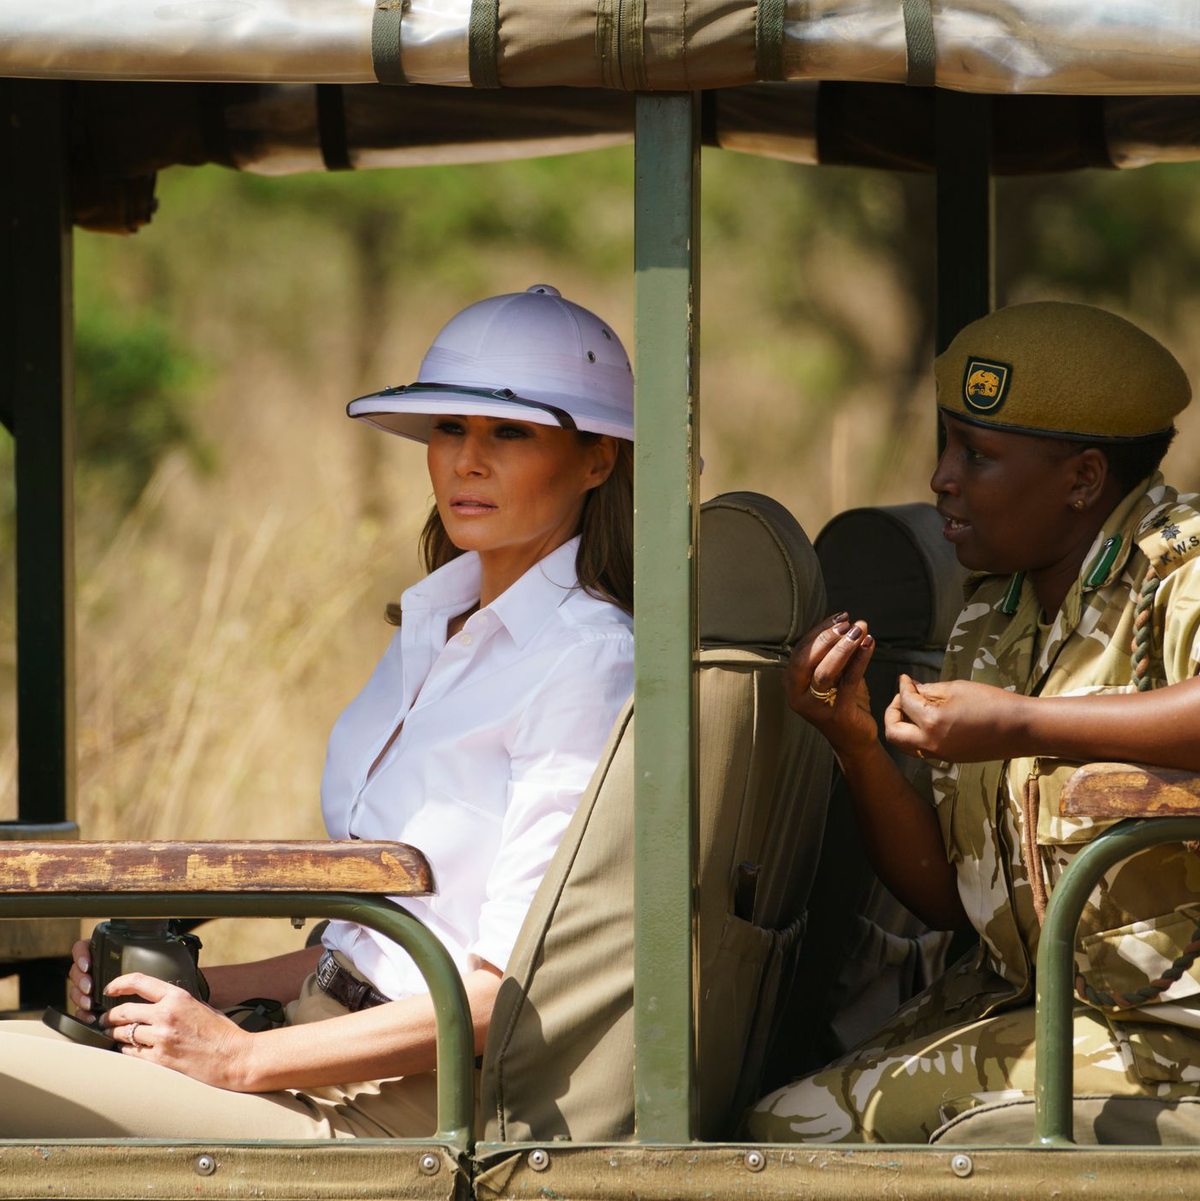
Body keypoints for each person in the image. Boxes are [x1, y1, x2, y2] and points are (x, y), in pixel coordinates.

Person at [0, 285, 635, 1140]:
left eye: (510, 432)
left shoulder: (586, 660)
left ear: (598, 458)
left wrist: (238, 1059)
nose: (465, 461)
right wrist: (186, 991)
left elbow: (509, 989)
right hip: (318, 1033)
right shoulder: (433, 625)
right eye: (449, 428)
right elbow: (379, 945)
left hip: (404, 1102)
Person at [748, 301, 1200, 1144]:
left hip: (1167, 1027)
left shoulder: (1182, 569)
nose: (941, 479)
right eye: (946, 444)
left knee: (796, 1134)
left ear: (1084, 480)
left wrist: (1026, 724)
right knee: (773, 1109)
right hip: (1035, 1003)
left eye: (978, 455)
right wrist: (854, 743)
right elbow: (951, 901)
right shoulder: (993, 614)